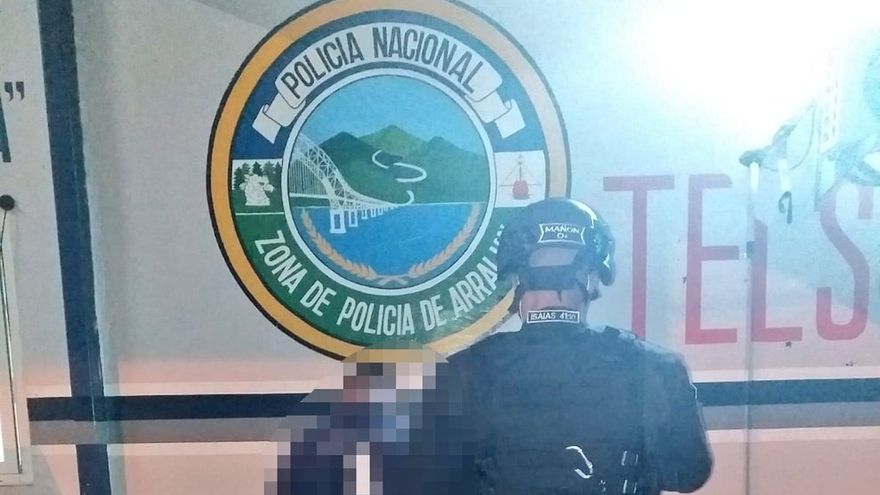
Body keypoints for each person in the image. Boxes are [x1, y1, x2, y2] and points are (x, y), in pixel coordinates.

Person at [448, 197, 713, 495]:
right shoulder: (655, 367)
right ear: (591, 277)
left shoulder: (460, 373)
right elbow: (689, 474)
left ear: (515, 277)